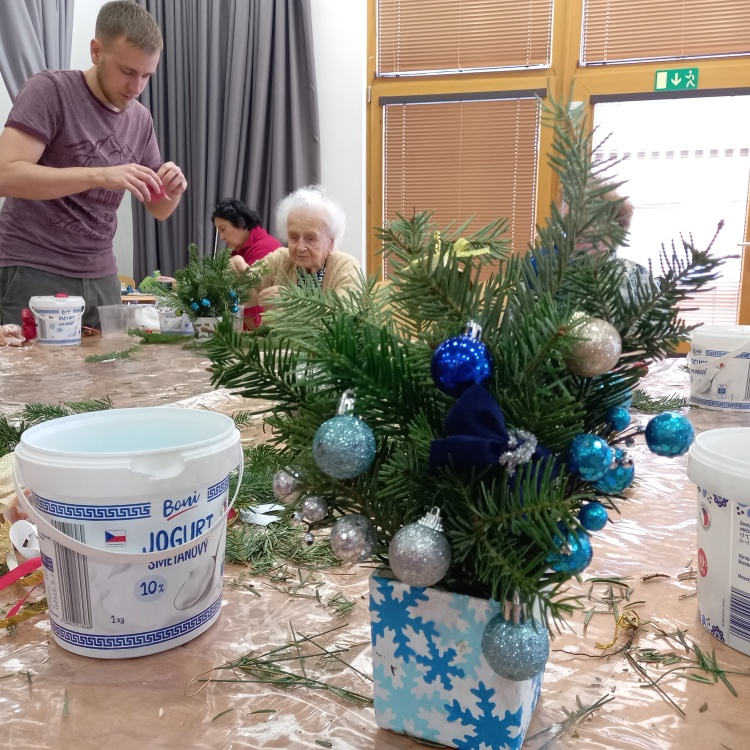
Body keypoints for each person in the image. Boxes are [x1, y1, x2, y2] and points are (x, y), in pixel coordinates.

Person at [0, 1, 187, 329]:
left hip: (102, 277)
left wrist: (174, 189)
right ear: (96, 51)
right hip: (33, 267)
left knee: (110, 365)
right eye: (127, 72)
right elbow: (5, 174)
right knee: (34, 366)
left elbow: (159, 209)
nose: (137, 88)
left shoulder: (141, 119)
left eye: (146, 75)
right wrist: (99, 175)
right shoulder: (51, 90)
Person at [251, 185, 361, 314]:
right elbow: (244, 292)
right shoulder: (279, 260)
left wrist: (293, 303)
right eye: (294, 237)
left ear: (330, 243)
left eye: (311, 239)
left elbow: (345, 317)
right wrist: (238, 272)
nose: (300, 247)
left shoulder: (345, 267)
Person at [211, 198, 281, 272]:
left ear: (241, 222)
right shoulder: (237, 250)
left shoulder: (266, 247)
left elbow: (254, 279)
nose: (221, 237)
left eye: (223, 229)